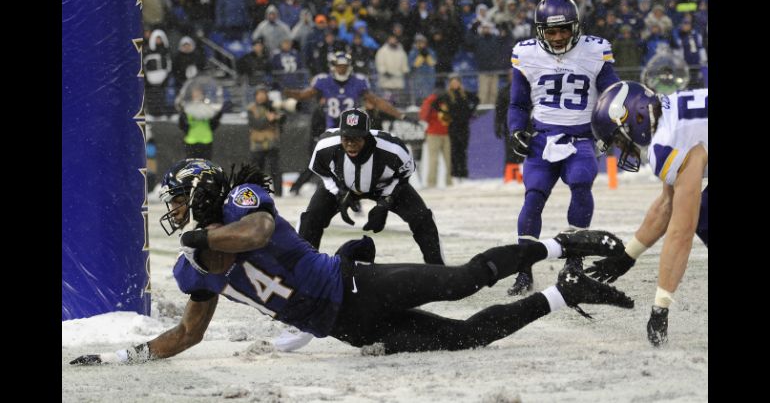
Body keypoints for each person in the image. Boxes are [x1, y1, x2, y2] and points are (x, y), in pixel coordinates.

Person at [70, 158, 633, 365]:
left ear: (200, 193)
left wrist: (201, 238)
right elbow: (188, 334)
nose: (171, 211)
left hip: (355, 285)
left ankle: (562, 244)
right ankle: (567, 293)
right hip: (346, 329)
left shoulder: (245, 207)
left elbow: (258, 231)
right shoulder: (191, 270)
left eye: (176, 199)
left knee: (462, 282)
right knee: (467, 338)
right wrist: (125, 355)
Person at [506, 0, 621, 296]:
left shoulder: (596, 51)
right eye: (551, 31)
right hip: (542, 139)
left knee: (581, 184)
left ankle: (574, 263)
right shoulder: (526, 54)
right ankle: (523, 270)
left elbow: (613, 94)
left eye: (564, 30)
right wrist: (517, 130)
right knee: (533, 197)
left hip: (581, 137)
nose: (558, 38)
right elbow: (517, 103)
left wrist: (612, 126)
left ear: (576, 27)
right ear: (539, 31)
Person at [587, 81, 708, 347]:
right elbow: (667, 205)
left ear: (637, 115)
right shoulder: (672, 119)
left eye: (618, 138)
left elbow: (682, 229)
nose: (621, 148)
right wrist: (627, 256)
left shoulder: (668, 141)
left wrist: (661, 306)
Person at [299, 108, 444, 265]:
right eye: (346, 137)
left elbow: (402, 177)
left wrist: (385, 201)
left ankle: (437, 269)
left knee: (422, 218)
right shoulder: (325, 147)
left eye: (356, 138)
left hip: (383, 185)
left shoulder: (393, 150)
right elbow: (323, 173)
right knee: (311, 219)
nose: (350, 144)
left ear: (366, 135)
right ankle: (302, 269)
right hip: (342, 184)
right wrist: (339, 192)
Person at [284, 51, 405, 129]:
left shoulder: (358, 81)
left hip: (352, 127)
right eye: (339, 66)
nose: (342, 69)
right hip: (332, 128)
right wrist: (286, 92)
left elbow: (377, 102)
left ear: (349, 66)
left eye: (344, 66)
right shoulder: (324, 80)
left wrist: (398, 114)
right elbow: (302, 95)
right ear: (333, 66)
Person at [439, 74, 480, 181]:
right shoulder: (447, 95)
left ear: (460, 84)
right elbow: (435, 104)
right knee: (454, 150)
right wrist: (445, 112)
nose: (455, 84)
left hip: (464, 125)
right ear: (450, 84)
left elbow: (477, 100)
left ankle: (463, 172)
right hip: (453, 126)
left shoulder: (465, 94)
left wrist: (470, 112)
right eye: (453, 82)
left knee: (463, 149)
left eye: (457, 82)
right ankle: (455, 173)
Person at [246, 84, 284, 196]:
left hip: (272, 143)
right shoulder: (251, 109)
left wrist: (278, 118)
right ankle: (256, 193)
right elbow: (256, 125)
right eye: (259, 94)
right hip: (257, 144)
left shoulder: (273, 106)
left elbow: (281, 122)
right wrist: (268, 119)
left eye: (263, 94)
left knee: (275, 170)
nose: (261, 97)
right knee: (256, 171)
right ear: (255, 96)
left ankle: (278, 193)